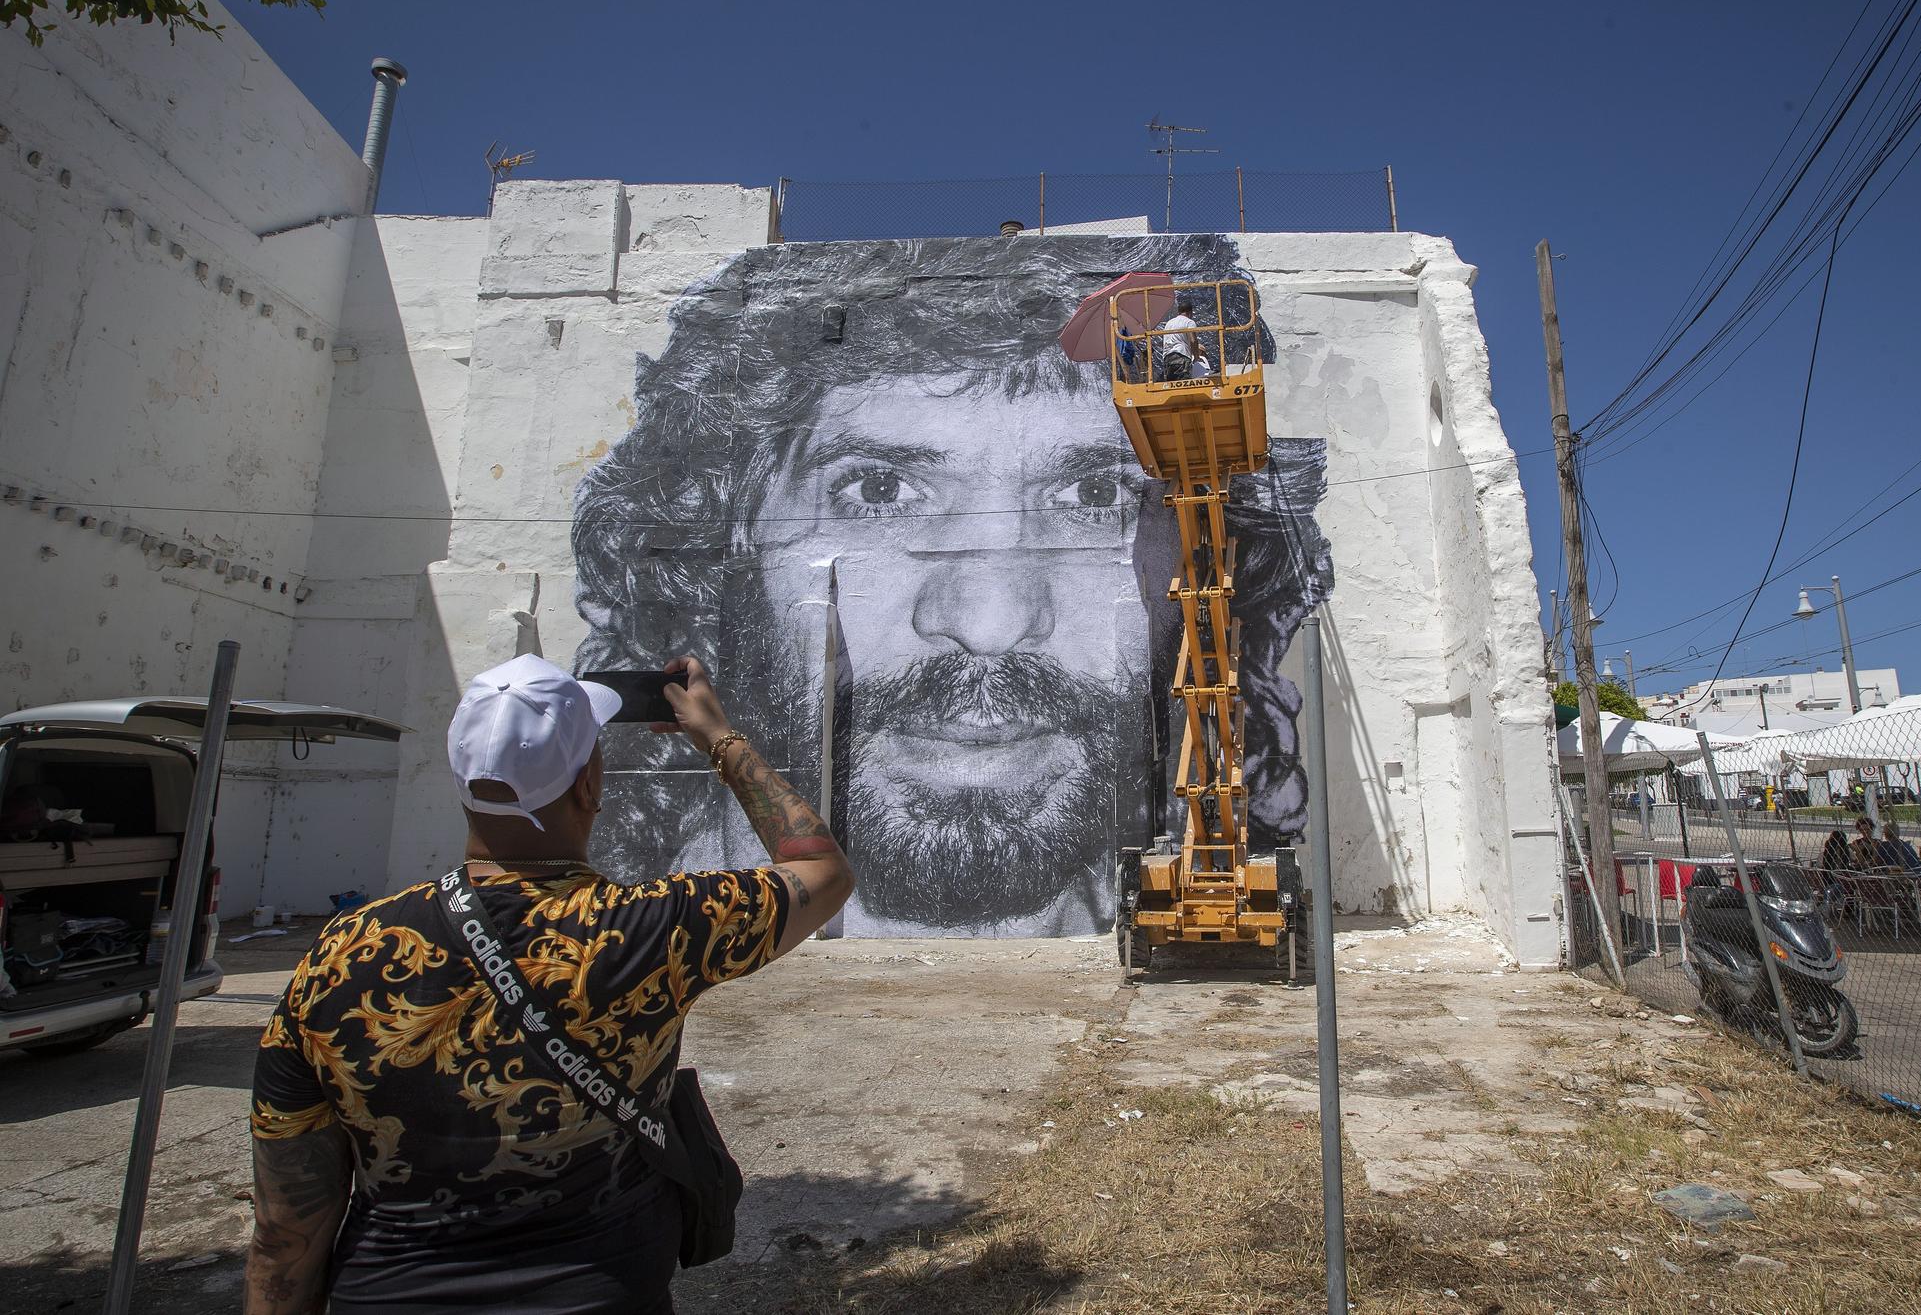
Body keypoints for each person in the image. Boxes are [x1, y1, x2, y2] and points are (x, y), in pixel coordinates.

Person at [570, 235, 1333, 937]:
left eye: (1096, 493)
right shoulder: (625, 946)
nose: (990, 619)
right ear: (726, 535)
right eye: (879, 489)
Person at [245, 654, 852, 1314]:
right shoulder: (652, 929)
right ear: (589, 785)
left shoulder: (340, 953)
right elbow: (818, 866)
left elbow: (285, 1230)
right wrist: (718, 736)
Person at [1153, 299, 1210, 380]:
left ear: (1179, 312)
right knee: (1183, 383)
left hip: (1167, 358)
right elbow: (1193, 340)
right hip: (1181, 356)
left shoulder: (1169, 323)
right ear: (1190, 312)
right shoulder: (1189, 322)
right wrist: (1196, 357)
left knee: (1172, 385)